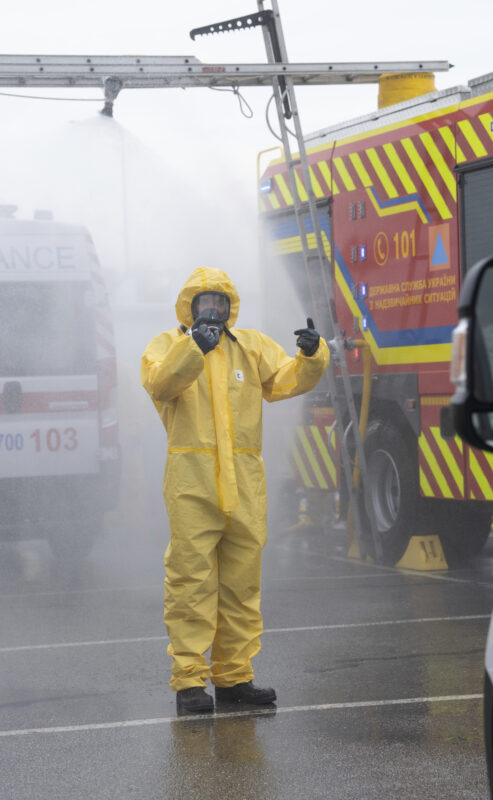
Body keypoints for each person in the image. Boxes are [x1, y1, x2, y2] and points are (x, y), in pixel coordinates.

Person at [141, 267, 329, 714]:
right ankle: (189, 682)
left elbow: (286, 380)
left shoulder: (251, 346)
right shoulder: (168, 346)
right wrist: (194, 349)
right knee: (191, 583)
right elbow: (159, 383)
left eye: (221, 303)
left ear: (231, 307)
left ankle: (234, 678)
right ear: (189, 305)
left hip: (244, 485)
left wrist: (312, 354)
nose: (213, 311)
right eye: (205, 302)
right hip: (193, 483)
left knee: (242, 585)